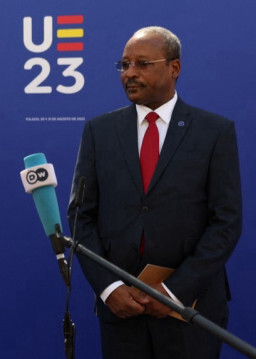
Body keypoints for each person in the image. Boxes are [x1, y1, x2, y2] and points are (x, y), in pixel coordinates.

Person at [68, 26, 241, 359]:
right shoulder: (99, 131)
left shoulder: (214, 132)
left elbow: (227, 222)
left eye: (142, 64)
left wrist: (174, 293)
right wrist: (109, 288)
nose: (129, 73)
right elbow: (80, 216)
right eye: (124, 64)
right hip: (122, 312)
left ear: (173, 68)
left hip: (190, 311)